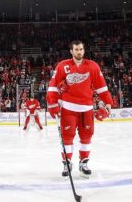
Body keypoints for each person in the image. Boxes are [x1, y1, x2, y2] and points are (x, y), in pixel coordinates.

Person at [47, 40, 113, 177]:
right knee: (67, 137)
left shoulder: (92, 66)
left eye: (81, 49)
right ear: (71, 51)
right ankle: (67, 163)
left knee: (87, 136)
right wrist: (53, 105)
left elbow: (101, 86)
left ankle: (84, 162)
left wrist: (108, 102)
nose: (79, 52)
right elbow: (53, 87)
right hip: (68, 108)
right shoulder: (62, 66)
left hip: (86, 108)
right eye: (76, 49)